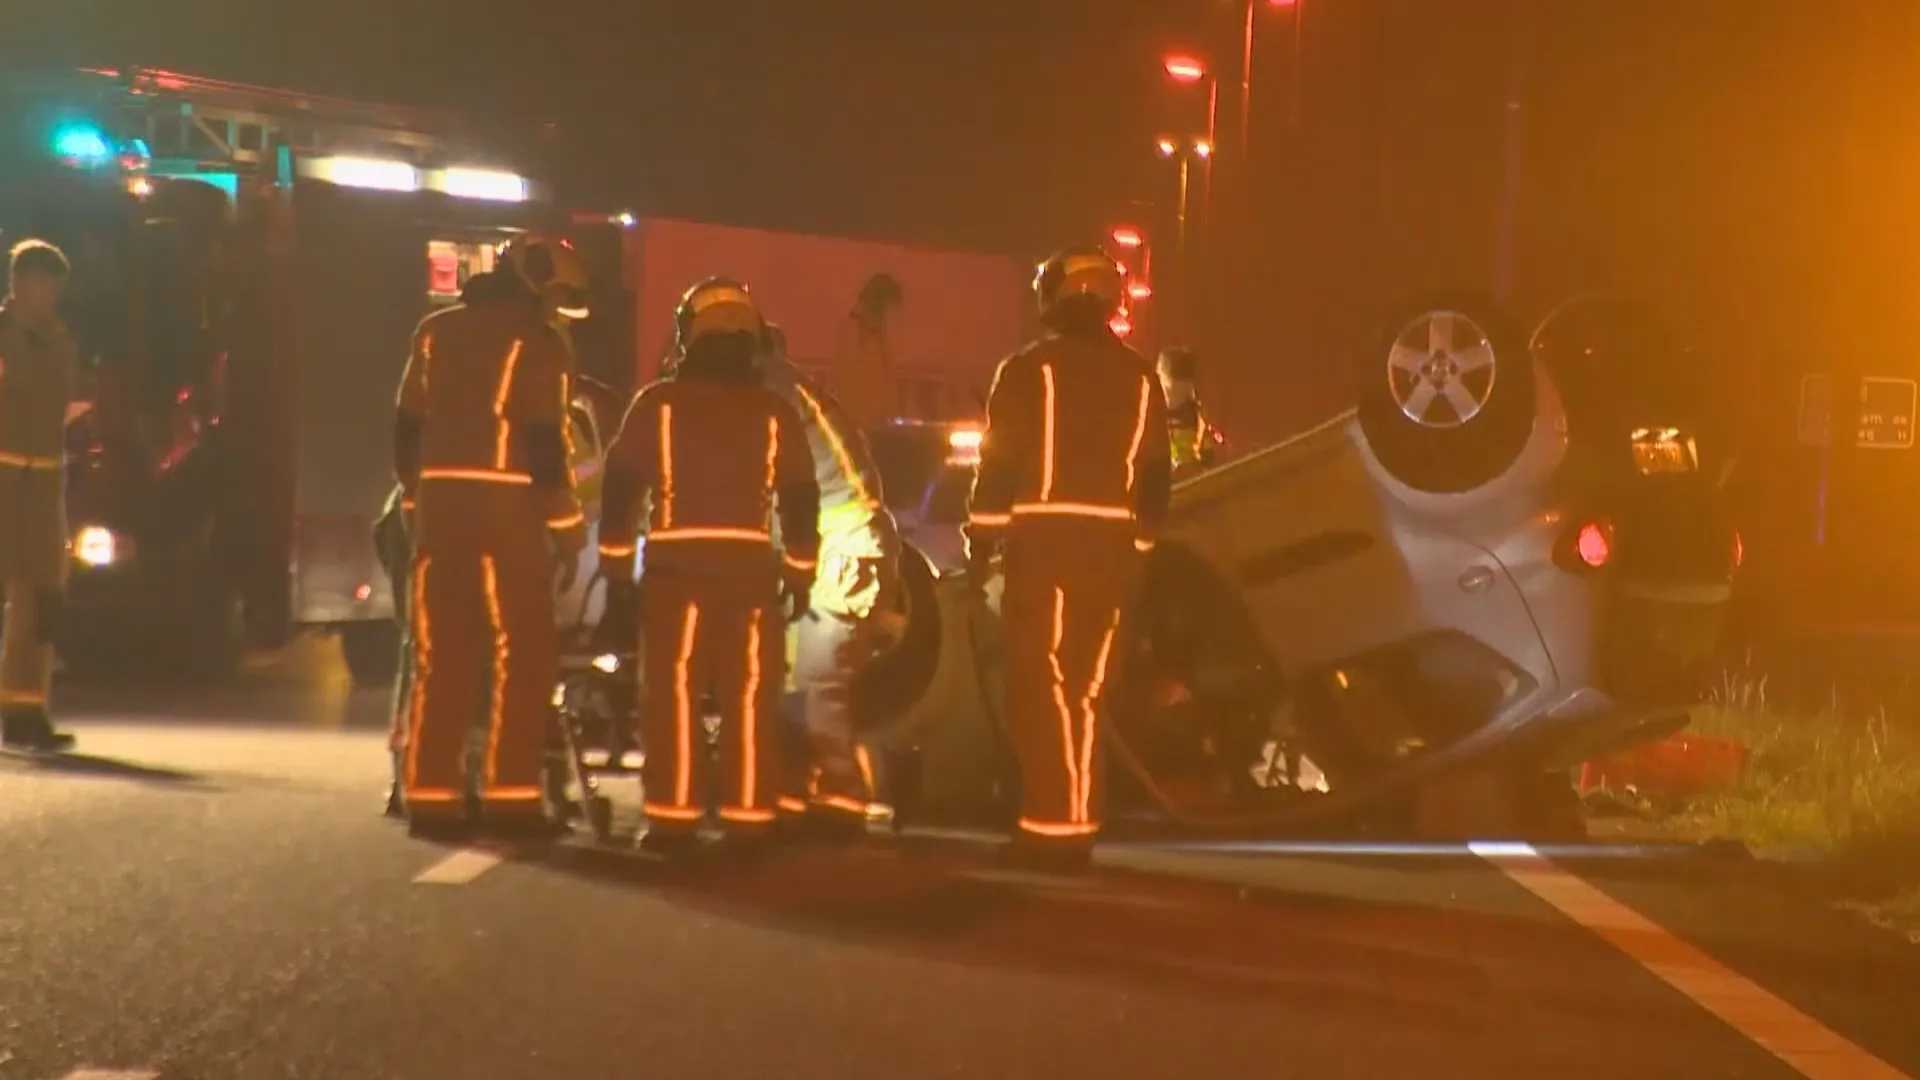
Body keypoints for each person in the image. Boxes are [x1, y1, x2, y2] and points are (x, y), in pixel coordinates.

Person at [596, 277, 820, 858]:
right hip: (749, 583)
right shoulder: (775, 412)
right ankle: (750, 817)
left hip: (676, 581)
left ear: (687, 336)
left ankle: (673, 818)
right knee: (750, 698)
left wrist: (618, 575)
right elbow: (801, 498)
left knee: (672, 697)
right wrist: (799, 572)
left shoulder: (657, 406)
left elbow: (620, 491)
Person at [964, 247, 1172, 869]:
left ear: (1054, 296)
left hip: (1046, 547)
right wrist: (1139, 547)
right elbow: (1156, 476)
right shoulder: (1141, 377)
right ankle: (1077, 823)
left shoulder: (1030, 370)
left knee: (1040, 690)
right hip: (1112, 557)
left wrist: (981, 541)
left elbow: (998, 465)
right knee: (1086, 693)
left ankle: (1049, 830)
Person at [380, 236, 591, 817]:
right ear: (536, 289)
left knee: (442, 654)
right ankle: (512, 797)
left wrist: (417, 499)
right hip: (509, 516)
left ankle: (431, 795)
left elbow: (405, 429)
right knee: (522, 657)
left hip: (440, 516)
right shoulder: (540, 346)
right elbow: (546, 446)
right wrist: (568, 530)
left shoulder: (435, 332)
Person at [758, 321, 900, 839]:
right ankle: (797, 790)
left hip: (838, 546)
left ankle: (841, 796)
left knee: (817, 677)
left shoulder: (766, 391)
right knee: (797, 677)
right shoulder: (783, 384)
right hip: (837, 544)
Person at [0, 239, 92, 752]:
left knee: (40, 601)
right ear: (19, 283)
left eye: (55, 286)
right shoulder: (3, 335)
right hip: (4, 476)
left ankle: (24, 710)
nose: (50, 295)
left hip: (44, 481)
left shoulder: (59, 339)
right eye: (42, 283)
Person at [829, 272, 902, 431]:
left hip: (875, 430)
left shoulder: (876, 339)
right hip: (859, 431)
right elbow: (848, 386)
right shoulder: (853, 335)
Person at [1157, 346, 1217, 472]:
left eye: (1180, 393)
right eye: (1168, 390)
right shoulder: (1147, 416)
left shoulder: (1199, 421)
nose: (1172, 399)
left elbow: (1208, 464)